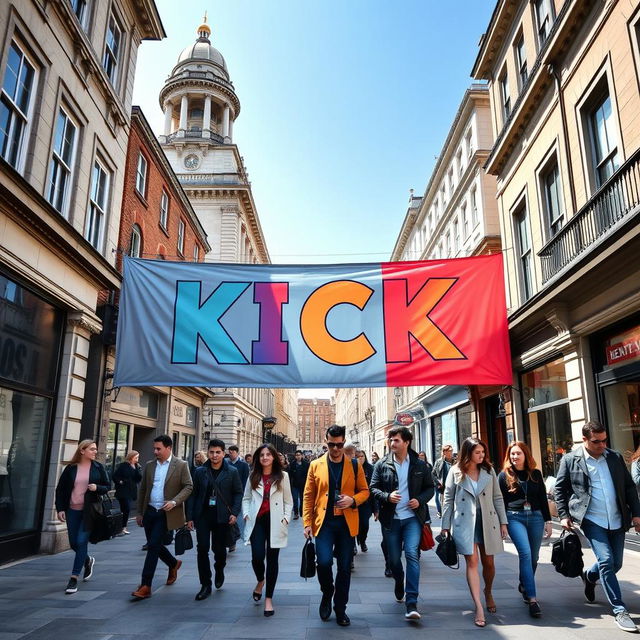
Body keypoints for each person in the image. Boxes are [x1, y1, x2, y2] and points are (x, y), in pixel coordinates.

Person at [554, 421, 640, 633]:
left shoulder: (614, 457)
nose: (602, 445)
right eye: (596, 441)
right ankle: (619, 609)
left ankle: (590, 577)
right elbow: (559, 489)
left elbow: (629, 487)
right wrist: (563, 515)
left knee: (615, 564)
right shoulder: (570, 459)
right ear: (584, 440)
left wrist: (637, 514)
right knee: (606, 560)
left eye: (604, 440)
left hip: (618, 518)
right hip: (592, 520)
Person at [303, 425, 370, 626]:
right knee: (323, 563)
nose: (335, 449)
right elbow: (308, 495)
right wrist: (307, 522)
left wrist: (353, 500)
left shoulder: (355, 465)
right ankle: (327, 592)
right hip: (323, 524)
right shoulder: (315, 465)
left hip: (346, 524)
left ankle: (340, 608)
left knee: (344, 568)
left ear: (343, 442)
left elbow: (365, 491)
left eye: (339, 445)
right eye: (331, 444)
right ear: (326, 442)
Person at [441, 438, 507, 628]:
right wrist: (445, 527)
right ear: (467, 453)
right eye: (478, 452)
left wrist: (504, 522)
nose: (482, 456)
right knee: (472, 562)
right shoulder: (455, 472)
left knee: (489, 563)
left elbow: (497, 497)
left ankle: (488, 592)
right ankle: (478, 606)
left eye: (483, 452)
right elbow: (448, 500)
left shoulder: (488, 470)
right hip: (465, 523)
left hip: (488, 521)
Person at [370, 427, 434, 621]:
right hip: (391, 519)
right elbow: (373, 488)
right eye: (391, 440)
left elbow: (430, 488)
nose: (392, 443)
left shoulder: (420, 464)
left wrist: (420, 500)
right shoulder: (382, 464)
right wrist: (387, 496)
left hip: (412, 518)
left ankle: (412, 601)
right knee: (395, 559)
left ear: (407, 442)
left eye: (396, 440)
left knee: (412, 555)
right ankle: (399, 579)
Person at [131, 435, 192, 600]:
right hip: (150, 511)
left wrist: (174, 501)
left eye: (158, 448)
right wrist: (140, 512)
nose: (155, 451)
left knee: (152, 548)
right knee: (154, 544)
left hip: (166, 513)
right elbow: (143, 489)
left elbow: (188, 486)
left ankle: (146, 585)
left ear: (169, 448)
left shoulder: (180, 465)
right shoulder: (150, 466)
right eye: (154, 448)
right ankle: (173, 563)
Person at [498, 442, 552, 618]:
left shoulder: (535, 474)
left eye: (518, 454)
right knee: (526, 553)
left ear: (525, 455)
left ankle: (524, 584)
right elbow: (500, 502)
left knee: (534, 557)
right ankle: (532, 599)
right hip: (514, 517)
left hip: (536, 517)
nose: (515, 457)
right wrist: (502, 523)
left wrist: (548, 521)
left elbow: (543, 499)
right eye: (512, 454)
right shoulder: (503, 476)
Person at [187, 438, 243, 600]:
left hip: (222, 517)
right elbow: (194, 495)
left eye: (218, 452)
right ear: (208, 452)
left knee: (219, 550)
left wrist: (234, 512)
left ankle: (219, 569)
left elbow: (238, 493)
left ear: (223, 453)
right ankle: (205, 584)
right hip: (203, 515)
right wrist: (189, 517)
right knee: (202, 548)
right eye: (211, 452)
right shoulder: (199, 472)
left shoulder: (231, 471)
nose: (214, 455)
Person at [242, 443, 293, 616]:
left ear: (273, 457)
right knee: (257, 557)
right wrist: (247, 514)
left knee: (272, 560)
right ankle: (260, 580)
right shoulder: (253, 476)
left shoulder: (282, 476)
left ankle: (269, 599)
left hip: (276, 520)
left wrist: (286, 518)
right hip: (257, 521)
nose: (265, 457)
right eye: (262, 455)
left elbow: (288, 500)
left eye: (268, 455)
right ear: (258, 457)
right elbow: (246, 498)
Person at [55, 439, 110, 594]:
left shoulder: (98, 467)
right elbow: (60, 489)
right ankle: (87, 560)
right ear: (82, 450)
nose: (95, 452)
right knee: (73, 543)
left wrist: (96, 487)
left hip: (89, 512)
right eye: (92, 449)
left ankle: (73, 578)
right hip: (72, 510)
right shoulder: (71, 469)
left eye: (95, 449)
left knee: (81, 541)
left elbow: (108, 487)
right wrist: (60, 508)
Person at [113, 450, 142, 535]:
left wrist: (138, 469)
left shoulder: (137, 466)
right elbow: (115, 476)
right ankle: (123, 527)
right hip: (123, 490)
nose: (137, 459)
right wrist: (120, 481)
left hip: (131, 490)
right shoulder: (123, 466)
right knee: (126, 508)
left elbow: (138, 478)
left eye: (138, 457)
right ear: (131, 457)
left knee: (125, 509)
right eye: (136, 457)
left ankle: (122, 527)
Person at [227, 444, 250, 549]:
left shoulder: (244, 465)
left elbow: (246, 480)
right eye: (229, 452)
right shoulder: (225, 463)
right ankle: (232, 539)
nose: (231, 454)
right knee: (228, 515)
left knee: (237, 514)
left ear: (237, 453)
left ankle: (237, 535)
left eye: (232, 452)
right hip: (227, 494)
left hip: (238, 493)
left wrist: (244, 493)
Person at [355, 449, 375, 552]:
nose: (360, 458)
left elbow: (374, 488)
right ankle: (353, 545)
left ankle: (362, 541)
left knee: (364, 525)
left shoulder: (370, 469)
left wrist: (376, 509)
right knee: (353, 525)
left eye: (362, 456)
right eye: (358, 456)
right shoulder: (350, 468)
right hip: (353, 502)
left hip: (366, 503)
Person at [432, 444, 454, 518]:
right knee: (445, 505)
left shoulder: (456, 461)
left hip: (455, 486)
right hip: (444, 488)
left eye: (451, 451)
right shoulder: (439, 462)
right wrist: (438, 483)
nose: (451, 452)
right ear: (444, 452)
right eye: (449, 451)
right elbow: (433, 474)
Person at [289, 450, 309, 520]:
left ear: (302, 455)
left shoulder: (306, 464)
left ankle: (302, 512)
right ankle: (296, 513)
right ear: (295, 456)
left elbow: (308, 475)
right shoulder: (292, 464)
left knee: (302, 499)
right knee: (295, 499)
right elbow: (290, 475)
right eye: (297, 455)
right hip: (295, 485)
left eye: (299, 455)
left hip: (303, 485)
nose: (298, 456)